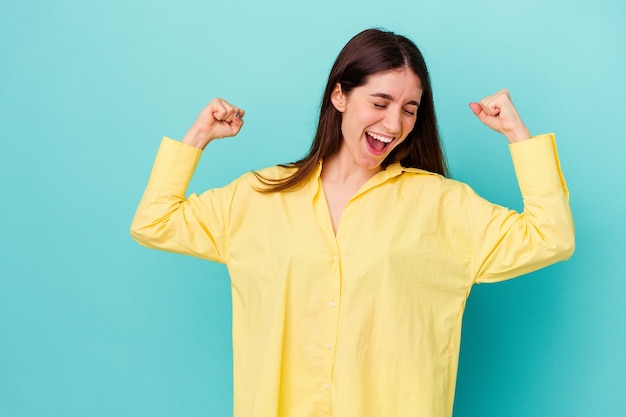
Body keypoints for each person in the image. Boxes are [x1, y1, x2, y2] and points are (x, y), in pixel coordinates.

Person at [131, 28, 574, 417]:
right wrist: (198, 137)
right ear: (340, 95)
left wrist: (520, 137)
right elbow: (154, 222)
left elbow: (550, 237)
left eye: (409, 109)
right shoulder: (259, 195)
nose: (393, 123)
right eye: (379, 102)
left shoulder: (440, 205)